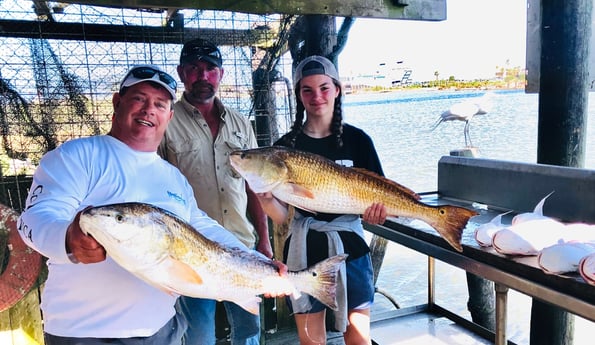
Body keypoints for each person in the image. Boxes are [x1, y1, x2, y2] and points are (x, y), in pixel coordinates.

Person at [17, 65, 286, 345]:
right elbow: (34, 219)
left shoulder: (172, 177)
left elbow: (201, 227)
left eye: (159, 104)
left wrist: (257, 262)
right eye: (139, 99)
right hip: (83, 331)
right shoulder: (77, 156)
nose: (149, 110)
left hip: (161, 331)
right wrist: (68, 239)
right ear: (117, 103)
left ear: (169, 116)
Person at [255, 55, 387, 345]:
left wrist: (377, 214)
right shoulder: (283, 149)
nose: (317, 97)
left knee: (359, 336)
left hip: (351, 245)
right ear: (299, 95)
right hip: (303, 247)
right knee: (311, 339)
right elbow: (283, 218)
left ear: (337, 89)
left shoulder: (358, 140)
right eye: (308, 90)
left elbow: (380, 196)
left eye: (324, 88)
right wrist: (266, 199)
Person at [158, 38, 271, 345]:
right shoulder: (165, 120)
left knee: (248, 331)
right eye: (194, 69)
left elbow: (254, 186)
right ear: (182, 73)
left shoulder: (239, 123)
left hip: (241, 244)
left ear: (221, 74)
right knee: (198, 335)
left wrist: (264, 239)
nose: (203, 76)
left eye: (210, 69)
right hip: (191, 250)